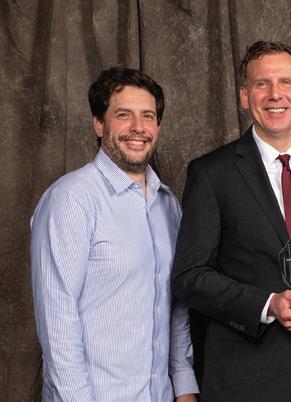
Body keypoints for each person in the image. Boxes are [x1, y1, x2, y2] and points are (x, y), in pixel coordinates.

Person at [170, 41, 291, 402]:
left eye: (286, 82)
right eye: (261, 84)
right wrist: (267, 304)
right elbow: (189, 277)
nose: (275, 95)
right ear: (244, 96)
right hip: (245, 376)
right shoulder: (211, 173)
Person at [30, 67, 199, 401]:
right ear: (99, 123)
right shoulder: (72, 199)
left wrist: (184, 386)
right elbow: (56, 318)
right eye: (124, 115)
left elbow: (176, 305)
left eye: (147, 116)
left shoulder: (169, 206)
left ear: (157, 127)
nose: (138, 127)